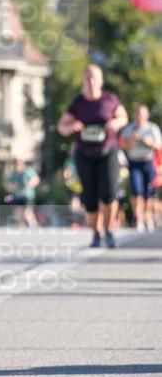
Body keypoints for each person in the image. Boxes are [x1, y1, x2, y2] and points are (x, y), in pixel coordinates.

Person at [57, 64, 128, 248]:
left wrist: (115, 122)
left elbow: (124, 117)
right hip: (85, 153)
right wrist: (71, 127)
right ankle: (96, 234)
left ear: (101, 80)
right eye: (87, 77)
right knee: (89, 195)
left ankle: (109, 230)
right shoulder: (78, 102)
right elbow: (61, 126)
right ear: (83, 80)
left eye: (94, 77)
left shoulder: (109, 99)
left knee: (109, 192)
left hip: (107, 151)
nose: (90, 81)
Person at [119, 104, 162, 232]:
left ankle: (148, 218)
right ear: (134, 115)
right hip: (134, 162)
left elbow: (159, 146)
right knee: (136, 192)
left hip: (148, 162)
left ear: (146, 115)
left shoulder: (152, 128)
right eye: (137, 114)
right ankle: (139, 219)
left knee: (148, 194)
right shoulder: (129, 128)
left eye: (142, 114)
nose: (140, 117)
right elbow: (122, 145)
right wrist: (132, 139)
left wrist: (150, 142)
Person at [4, 158, 40, 228]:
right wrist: (13, 186)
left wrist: (29, 184)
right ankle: (20, 228)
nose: (17, 167)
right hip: (18, 196)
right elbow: (8, 184)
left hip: (28, 196)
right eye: (16, 165)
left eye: (18, 165)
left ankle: (33, 224)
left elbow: (36, 179)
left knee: (27, 213)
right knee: (18, 213)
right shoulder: (13, 174)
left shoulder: (27, 171)